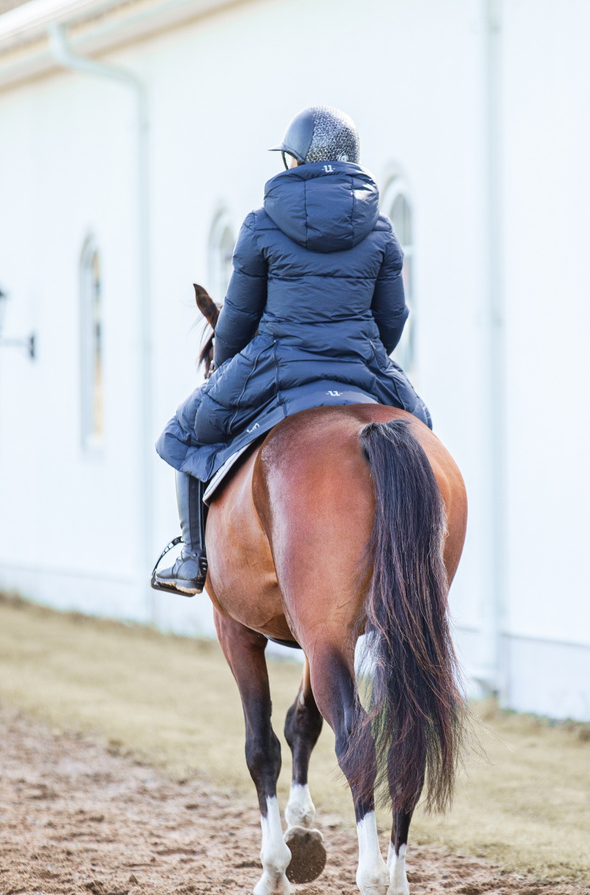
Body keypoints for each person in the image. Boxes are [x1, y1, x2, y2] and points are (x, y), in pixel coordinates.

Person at [153, 106, 430, 597]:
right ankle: (423, 559)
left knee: (182, 432)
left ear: (297, 159)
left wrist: (228, 365)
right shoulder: (380, 229)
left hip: (273, 366)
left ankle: (192, 560)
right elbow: (393, 320)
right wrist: (362, 355)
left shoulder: (261, 225)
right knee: (423, 432)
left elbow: (235, 319)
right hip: (361, 364)